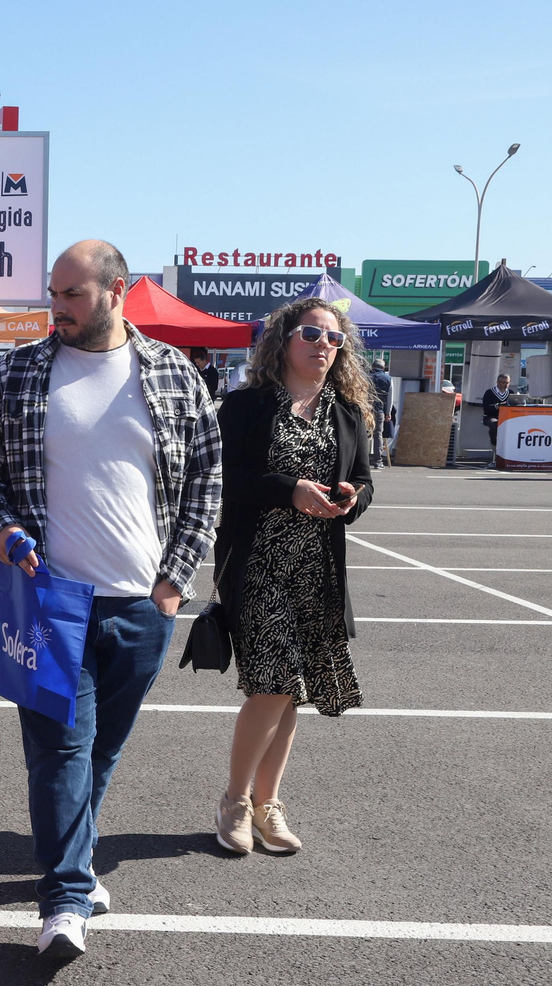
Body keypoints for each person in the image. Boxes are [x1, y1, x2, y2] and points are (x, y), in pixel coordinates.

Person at [0, 240, 221, 960]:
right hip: (48, 600)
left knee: (101, 749)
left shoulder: (171, 372)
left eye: (72, 294)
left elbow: (207, 476)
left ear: (116, 291)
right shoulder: (17, 372)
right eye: (54, 293)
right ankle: (65, 898)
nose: (58, 307)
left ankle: (77, 856)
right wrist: (0, 527)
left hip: (143, 604)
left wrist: (175, 581)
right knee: (61, 750)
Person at [212, 297, 374, 858]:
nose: (323, 345)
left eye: (334, 338)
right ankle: (236, 802)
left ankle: (268, 804)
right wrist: (290, 490)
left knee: (289, 695)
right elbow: (225, 477)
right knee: (273, 685)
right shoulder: (247, 405)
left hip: (317, 571)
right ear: (283, 341)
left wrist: (351, 499)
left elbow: (364, 482)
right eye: (311, 334)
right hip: (258, 564)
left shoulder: (347, 412)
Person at [369, 359, 392, 467]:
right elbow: (390, 397)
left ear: (372, 366)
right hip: (379, 409)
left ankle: (358, 460)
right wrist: (388, 412)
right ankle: (378, 461)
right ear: (383, 368)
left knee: (361, 433)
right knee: (378, 434)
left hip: (365, 409)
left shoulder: (366, 377)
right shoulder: (388, 378)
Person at [481, 372, 511, 453]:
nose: (506, 385)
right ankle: (494, 445)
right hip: (491, 416)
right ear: (498, 382)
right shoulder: (489, 393)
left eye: (507, 383)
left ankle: (510, 447)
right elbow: (486, 408)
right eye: (504, 383)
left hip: (507, 417)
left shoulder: (511, 393)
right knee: (495, 424)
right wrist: (498, 405)